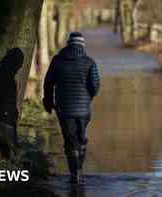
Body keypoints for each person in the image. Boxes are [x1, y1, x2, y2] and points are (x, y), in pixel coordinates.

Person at [43, 32, 100, 184]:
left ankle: (74, 174)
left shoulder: (57, 61)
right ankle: (79, 169)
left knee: (70, 141)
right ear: (82, 45)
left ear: (68, 44)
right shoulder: (89, 62)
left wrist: (48, 101)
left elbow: (48, 83)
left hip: (64, 109)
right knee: (81, 139)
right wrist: (88, 97)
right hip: (84, 110)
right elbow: (95, 86)